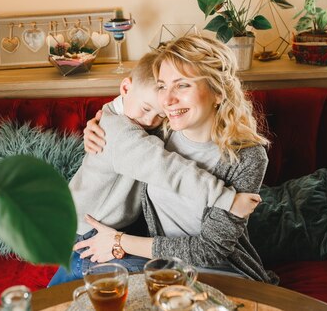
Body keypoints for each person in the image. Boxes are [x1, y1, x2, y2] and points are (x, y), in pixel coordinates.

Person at [47, 51, 261, 286]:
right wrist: (106, 118)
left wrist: (119, 241)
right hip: (92, 228)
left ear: (218, 92)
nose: (168, 102)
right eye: (163, 87)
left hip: (216, 270)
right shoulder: (163, 130)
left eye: (182, 85)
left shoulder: (247, 156)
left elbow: (209, 250)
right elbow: (165, 165)